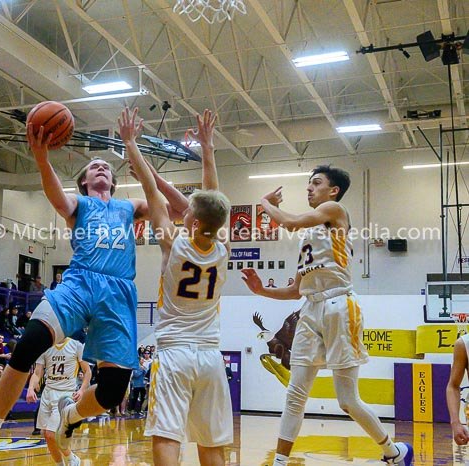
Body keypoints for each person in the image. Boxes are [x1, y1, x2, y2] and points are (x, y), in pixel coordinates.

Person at [0, 109, 187, 463]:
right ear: (85, 182)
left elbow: (181, 210)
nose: (101, 167)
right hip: (80, 283)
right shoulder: (79, 204)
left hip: (119, 294)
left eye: (106, 167)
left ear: (113, 182)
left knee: (112, 390)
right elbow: (57, 198)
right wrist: (42, 157)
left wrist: (151, 174)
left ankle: (70, 416)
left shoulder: (129, 207)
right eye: (94, 167)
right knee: (28, 345)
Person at [240, 165, 413, 466]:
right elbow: (295, 290)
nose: (309, 188)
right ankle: (279, 462)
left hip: (339, 305)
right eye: (308, 183)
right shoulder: (309, 236)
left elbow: (289, 222)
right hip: (310, 308)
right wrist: (262, 290)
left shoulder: (335, 210)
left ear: (333, 190)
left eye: (316, 183)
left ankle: (393, 452)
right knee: (295, 393)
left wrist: (264, 203)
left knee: (347, 401)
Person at [126, 107, 232, 465]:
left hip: (174, 352)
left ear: (195, 221)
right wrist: (208, 148)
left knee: (167, 434)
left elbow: (151, 192)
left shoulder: (173, 243)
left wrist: (131, 144)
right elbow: (212, 197)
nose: (182, 211)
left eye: (187, 212)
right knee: (211, 442)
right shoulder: (223, 247)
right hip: (211, 354)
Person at [26, 337, 91, 466]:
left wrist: (82, 390)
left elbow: (87, 371)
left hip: (65, 394)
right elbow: (37, 372)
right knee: (46, 435)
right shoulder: (45, 346)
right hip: (47, 393)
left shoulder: (76, 345)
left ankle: (72, 458)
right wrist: (30, 388)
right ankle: (60, 464)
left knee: (52, 434)